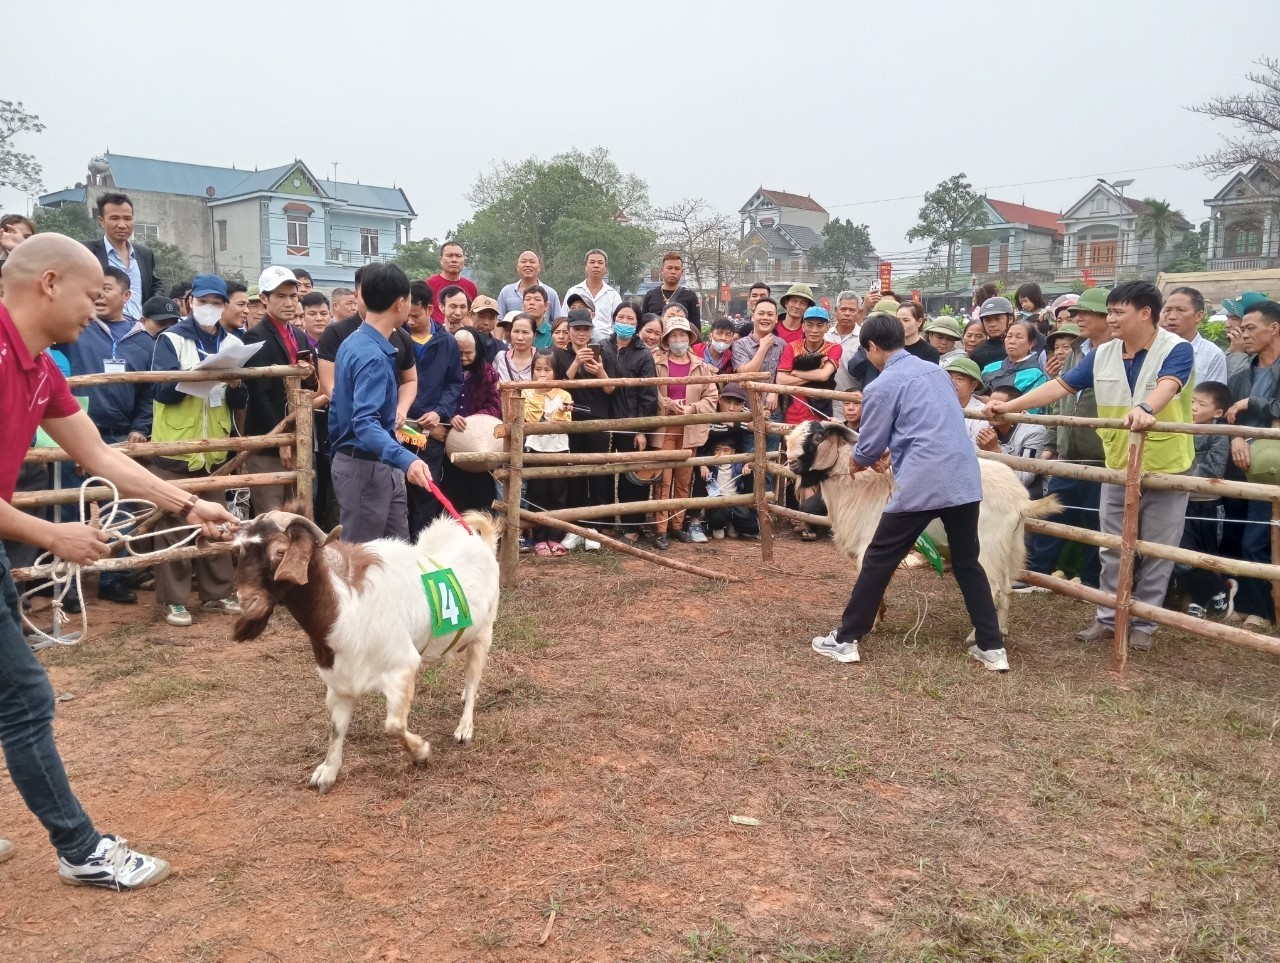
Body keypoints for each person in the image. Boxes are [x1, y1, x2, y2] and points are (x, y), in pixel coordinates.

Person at [0, 234, 238, 889]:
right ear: (49, 282)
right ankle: (80, 849)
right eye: (89, 295)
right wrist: (53, 537)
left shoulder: (42, 368)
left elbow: (103, 457)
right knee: (24, 697)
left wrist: (189, 504)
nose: (98, 309)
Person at [989, 281, 1193, 651]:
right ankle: (1107, 617)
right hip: (1117, 463)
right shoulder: (1103, 354)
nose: (1110, 318)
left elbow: (1169, 385)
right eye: (1110, 311)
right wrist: (1013, 407)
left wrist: (1148, 409)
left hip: (1167, 467)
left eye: (1117, 312)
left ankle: (1144, 624)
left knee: (1158, 549)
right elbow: (1060, 387)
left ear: (1145, 313)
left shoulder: (1176, 349)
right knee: (1112, 546)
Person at [810, 311, 1009, 671]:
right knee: (967, 562)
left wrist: (858, 462)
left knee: (878, 558)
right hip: (964, 477)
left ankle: (845, 639)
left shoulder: (881, 385)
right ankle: (991, 646)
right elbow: (927, 424)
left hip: (922, 482)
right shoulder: (936, 372)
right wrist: (890, 447)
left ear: (872, 347)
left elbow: (868, 448)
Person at [148, 273, 246, 627]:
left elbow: (239, 399)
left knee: (218, 521)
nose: (209, 308)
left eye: (217, 303)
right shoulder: (171, 340)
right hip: (177, 445)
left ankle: (217, 593)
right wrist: (200, 376)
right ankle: (174, 600)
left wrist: (233, 382)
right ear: (189, 301)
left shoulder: (233, 342)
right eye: (203, 301)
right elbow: (161, 392)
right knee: (174, 524)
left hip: (214, 449)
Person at [58, 265, 155, 606]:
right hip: (73, 434)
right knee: (71, 508)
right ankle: (69, 585)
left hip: (120, 435)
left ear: (127, 296)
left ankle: (114, 577)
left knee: (122, 508)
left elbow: (147, 392)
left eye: (107, 288)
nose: (99, 295)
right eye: (95, 289)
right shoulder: (76, 330)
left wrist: (140, 428)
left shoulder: (142, 340)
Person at [1014, 294, 1112, 593]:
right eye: (1076, 313)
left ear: (1108, 317)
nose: (1078, 318)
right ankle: (1037, 573)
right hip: (1068, 454)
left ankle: (1094, 583)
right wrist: (1054, 442)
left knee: (1099, 524)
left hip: (1103, 456)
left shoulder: (1120, 354)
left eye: (1087, 313)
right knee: (1053, 512)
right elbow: (1061, 398)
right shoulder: (1078, 351)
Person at [327, 263, 432, 543]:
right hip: (364, 467)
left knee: (395, 555)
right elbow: (364, 422)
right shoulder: (371, 356)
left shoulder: (354, 342)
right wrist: (406, 459)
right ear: (401, 303)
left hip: (377, 462)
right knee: (363, 564)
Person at [1225, 299, 1280, 630]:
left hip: (1272, 467)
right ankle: (1248, 604)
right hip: (1241, 464)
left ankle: (1265, 609)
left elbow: (1246, 407)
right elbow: (1229, 415)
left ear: (1273, 328)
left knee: (1258, 538)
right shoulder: (1242, 371)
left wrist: (1255, 402)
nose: (1242, 334)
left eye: (1250, 328)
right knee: (1240, 535)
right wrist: (1234, 439)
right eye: (1241, 328)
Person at [241, 266, 310, 515]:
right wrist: (279, 437)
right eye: (280, 296)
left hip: (298, 438)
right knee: (271, 516)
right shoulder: (255, 338)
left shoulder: (300, 337)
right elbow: (259, 394)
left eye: (293, 296)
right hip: (269, 442)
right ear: (263, 299)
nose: (289, 303)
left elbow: (308, 386)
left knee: (298, 512)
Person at [650, 317, 719, 548]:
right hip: (664, 428)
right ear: (667, 340)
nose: (678, 340)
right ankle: (660, 529)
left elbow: (711, 398)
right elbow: (648, 391)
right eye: (673, 336)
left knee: (683, 480)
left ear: (689, 338)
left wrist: (691, 408)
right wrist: (665, 403)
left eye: (682, 335)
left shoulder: (701, 366)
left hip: (689, 428)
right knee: (663, 480)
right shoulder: (656, 363)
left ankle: (677, 525)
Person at [404, 281, 462, 535]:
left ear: (429, 310)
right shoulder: (397, 339)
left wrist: (440, 412)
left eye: (415, 315)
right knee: (399, 491)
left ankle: (423, 547)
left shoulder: (447, 342)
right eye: (405, 314)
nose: (409, 320)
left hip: (432, 428)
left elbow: (453, 383)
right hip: (401, 427)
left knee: (428, 489)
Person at [1174, 381, 1236, 620]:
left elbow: (1214, 469)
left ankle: (1200, 599)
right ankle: (1219, 588)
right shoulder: (1179, 428)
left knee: (1207, 553)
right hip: (1182, 501)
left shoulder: (1218, 434)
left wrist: (1179, 474)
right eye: (1192, 401)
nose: (1194, 407)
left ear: (1218, 413)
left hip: (1209, 504)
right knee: (1182, 553)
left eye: (1201, 404)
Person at [554, 309, 615, 538]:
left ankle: (596, 526)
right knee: (575, 472)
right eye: (576, 329)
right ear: (568, 331)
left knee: (598, 472)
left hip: (599, 419)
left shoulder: (604, 354)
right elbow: (557, 388)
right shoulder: (559, 355)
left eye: (585, 329)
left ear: (591, 331)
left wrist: (600, 371)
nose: (581, 333)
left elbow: (611, 389)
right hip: (570, 420)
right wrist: (575, 363)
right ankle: (576, 526)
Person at [602, 300, 658, 543]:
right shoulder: (602, 347)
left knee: (632, 477)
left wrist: (641, 429)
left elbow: (649, 397)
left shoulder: (643, 354)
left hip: (630, 422)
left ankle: (631, 527)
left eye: (630, 319)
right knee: (602, 474)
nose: (625, 323)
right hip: (603, 421)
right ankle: (603, 523)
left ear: (637, 324)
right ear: (614, 320)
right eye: (621, 318)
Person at [442, 329, 503, 513]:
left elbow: (494, 405)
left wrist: (474, 422)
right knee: (452, 493)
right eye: (459, 352)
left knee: (481, 495)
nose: (463, 357)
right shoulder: (444, 371)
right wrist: (449, 416)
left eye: (468, 352)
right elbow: (436, 400)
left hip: (480, 441)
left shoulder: (488, 373)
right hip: (450, 440)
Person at [522, 350, 575, 555]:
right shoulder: (527, 392)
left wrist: (562, 411)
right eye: (538, 369)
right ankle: (539, 537)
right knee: (538, 493)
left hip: (559, 448)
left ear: (556, 372)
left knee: (558, 494)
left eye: (547, 369)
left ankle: (555, 536)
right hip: (536, 448)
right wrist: (538, 393)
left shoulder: (564, 394)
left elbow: (565, 424)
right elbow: (531, 419)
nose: (542, 374)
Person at [84, 192, 164, 320]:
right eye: (115, 218)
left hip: (138, 330)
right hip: (101, 329)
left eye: (127, 218)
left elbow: (155, 285)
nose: (122, 225)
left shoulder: (145, 254)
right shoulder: (87, 252)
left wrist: (151, 312)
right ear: (101, 221)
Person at [977, 386, 1046, 496]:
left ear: (1017, 409)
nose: (990, 411)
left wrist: (995, 452)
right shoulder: (983, 425)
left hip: (1024, 493)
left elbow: (1024, 480)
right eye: (989, 405)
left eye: (998, 406)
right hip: (990, 485)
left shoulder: (1034, 431)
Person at [777, 306, 842, 424]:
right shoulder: (791, 346)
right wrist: (816, 373)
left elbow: (823, 376)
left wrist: (795, 372)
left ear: (827, 327)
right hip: (794, 411)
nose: (814, 330)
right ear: (803, 326)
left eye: (820, 325)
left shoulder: (834, 348)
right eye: (810, 325)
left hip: (820, 411)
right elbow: (781, 380)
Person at [1160, 286, 1227, 386]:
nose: (1172, 316)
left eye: (1181, 310)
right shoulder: (1153, 348)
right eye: (1167, 310)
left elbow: (1212, 398)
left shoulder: (1213, 355)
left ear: (1199, 316)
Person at [702, 437, 758, 541]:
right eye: (717, 449)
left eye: (726, 450)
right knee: (717, 521)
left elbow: (753, 455)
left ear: (733, 452)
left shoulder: (738, 463)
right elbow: (701, 455)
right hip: (717, 501)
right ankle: (720, 525)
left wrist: (748, 464)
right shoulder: (711, 464)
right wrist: (702, 465)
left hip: (735, 500)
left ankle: (731, 522)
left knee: (752, 528)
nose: (721, 454)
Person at [564, 249, 622, 343]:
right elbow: (564, 319)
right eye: (592, 262)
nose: (596, 265)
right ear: (585, 267)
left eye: (600, 263)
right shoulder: (573, 292)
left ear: (606, 268)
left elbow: (618, 323)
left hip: (606, 345)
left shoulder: (613, 295)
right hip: (576, 342)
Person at [981, 320, 1047, 399]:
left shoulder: (1036, 376)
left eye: (1019, 337)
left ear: (1031, 344)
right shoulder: (990, 368)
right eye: (1009, 336)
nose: (1012, 341)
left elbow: (1029, 408)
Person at [497, 251, 563, 320]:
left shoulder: (551, 294)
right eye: (523, 261)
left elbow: (558, 323)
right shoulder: (506, 292)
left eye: (532, 262)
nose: (527, 265)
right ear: (517, 267)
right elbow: (499, 320)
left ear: (539, 267)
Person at [642, 251, 701, 328]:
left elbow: (696, 328)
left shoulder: (690, 296)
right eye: (669, 268)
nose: (673, 272)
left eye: (677, 268)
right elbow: (643, 324)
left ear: (682, 272)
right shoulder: (651, 294)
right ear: (662, 270)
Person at [941, 355, 989, 449]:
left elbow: (975, 450)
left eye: (959, 379)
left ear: (973, 385)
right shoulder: (934, 405)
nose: (952, 382)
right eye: (949, 378)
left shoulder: (982, 413)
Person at [425, 241, 478, 323]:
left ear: (464, 260)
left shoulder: (471, 287)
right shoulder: (429, 285)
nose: (454, 260)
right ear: (441, 259)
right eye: (449, 256)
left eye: (458, 256)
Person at [970, 296, 1014, 369]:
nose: (992, 324)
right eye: (987, 320)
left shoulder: (1024, 345)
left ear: (1010, 319)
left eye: (998, 318)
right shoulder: (978, 354)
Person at [493, 313, 537, 382]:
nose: (519, 337)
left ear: (534, 335)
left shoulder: (542, 359)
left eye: (525, 332)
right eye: (515, 331)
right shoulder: (500, 357)